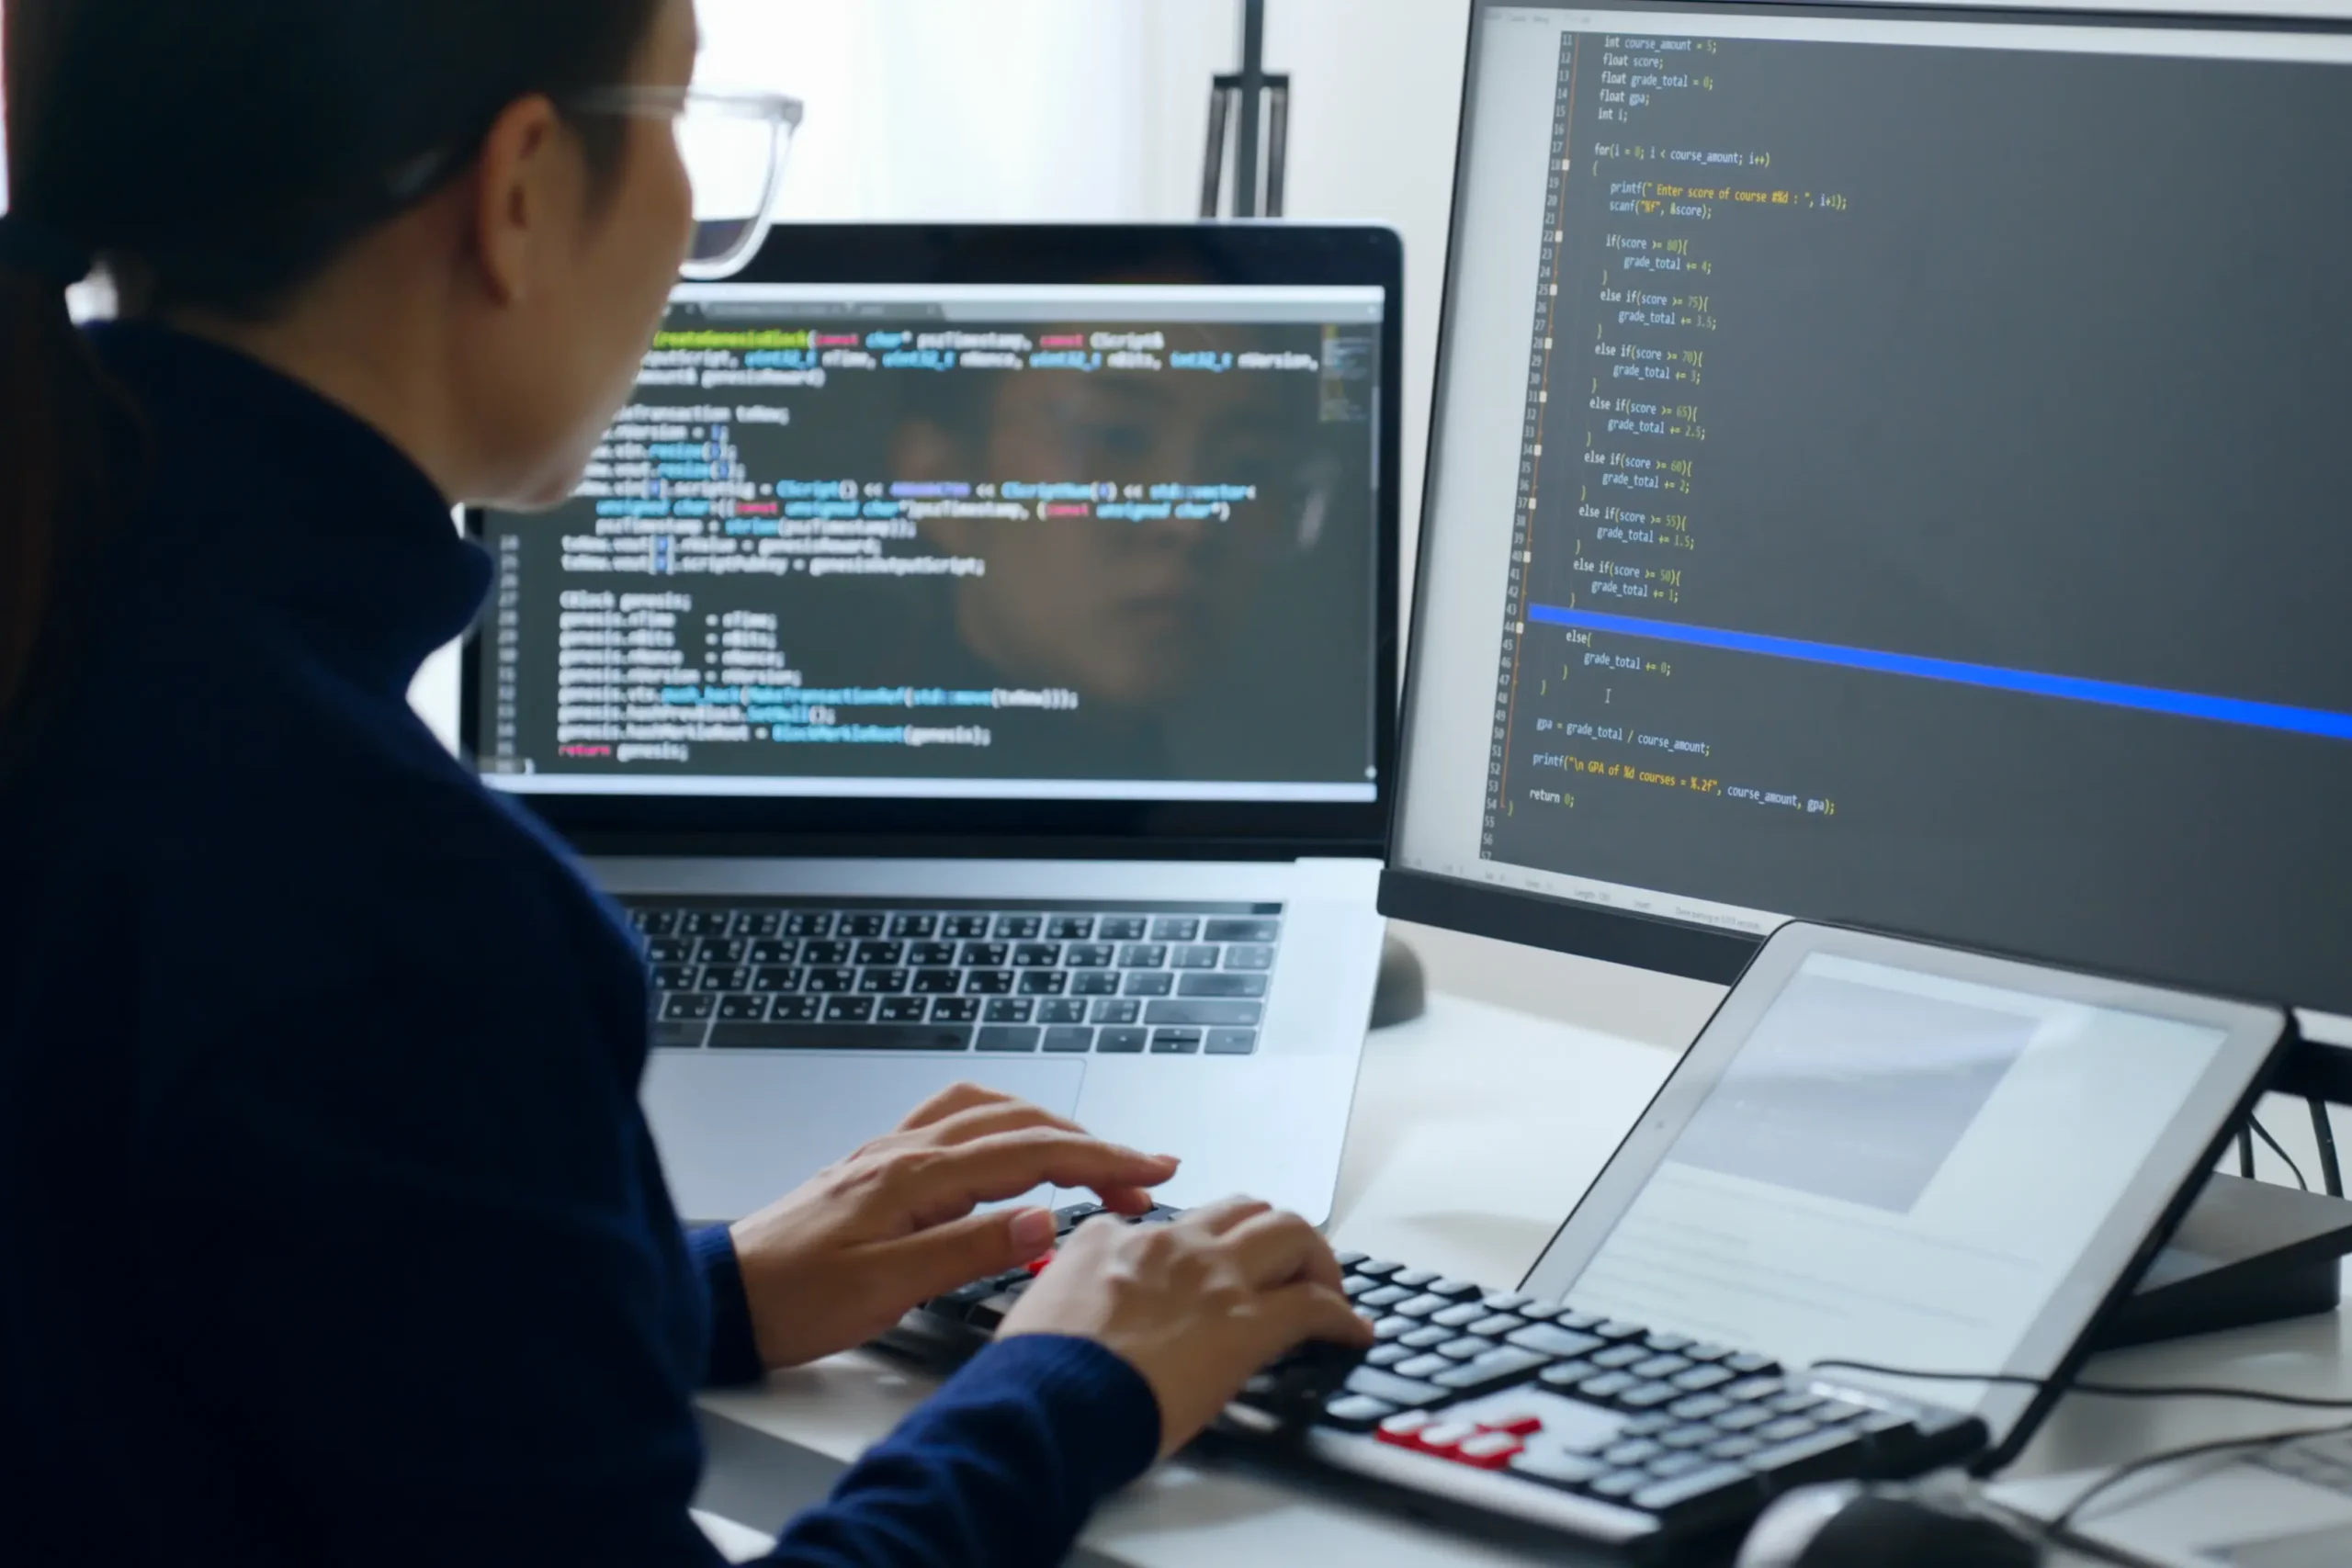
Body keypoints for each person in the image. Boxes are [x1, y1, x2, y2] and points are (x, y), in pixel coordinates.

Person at [0, 2, 1370, 1564]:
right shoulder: (406, 906)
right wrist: (1078, 1377)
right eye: (671, 120)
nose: (688, 226)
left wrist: (682, 1284)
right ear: (519, 191)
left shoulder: (74, 649)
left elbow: (199, 1331)